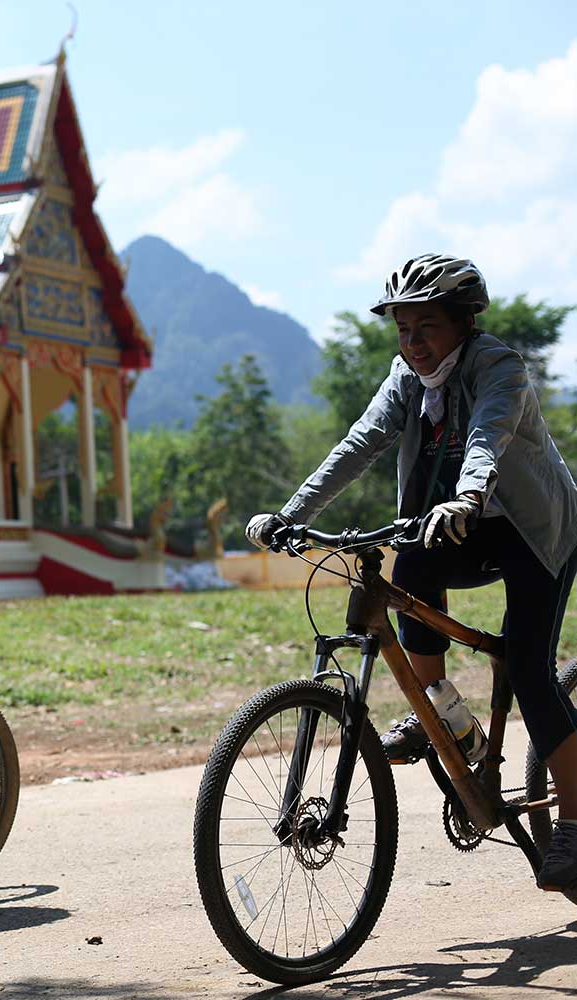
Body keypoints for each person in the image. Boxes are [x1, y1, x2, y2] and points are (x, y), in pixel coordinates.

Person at [246, 254, 577, 893]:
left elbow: (488, 436)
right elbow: (360, 443)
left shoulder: (498, 367)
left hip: (535, 534)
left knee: (532, 673)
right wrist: (290, 515)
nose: (412, 343)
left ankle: (575, 820)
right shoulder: (406, 377)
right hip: (455, 525)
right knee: (412, 562)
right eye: (402, 329)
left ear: (462, 324)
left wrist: (466, 496)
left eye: (425, 326)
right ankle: (444, 713)